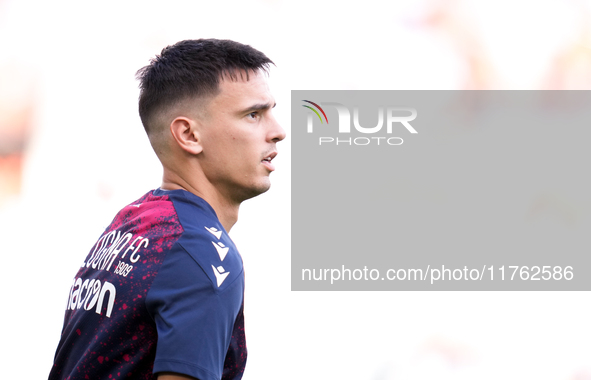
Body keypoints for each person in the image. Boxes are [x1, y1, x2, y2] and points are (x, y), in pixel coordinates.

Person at [48, 39, 286, 380]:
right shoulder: (203, 255)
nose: (278, 132)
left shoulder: (132, 223)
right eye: (253, 114)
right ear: (189, 134)